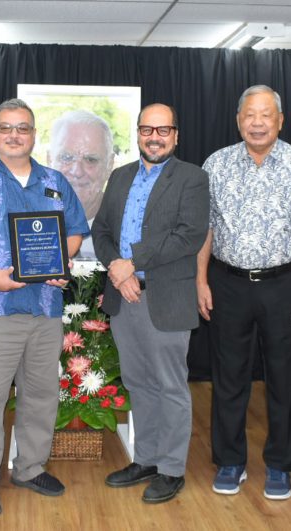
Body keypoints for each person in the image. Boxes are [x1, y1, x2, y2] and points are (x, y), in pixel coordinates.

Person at [196, 85, 291, 500]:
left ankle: (279, 464)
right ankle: (230, 460)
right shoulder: (216, 164)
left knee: (284, 377)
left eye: (266, 115)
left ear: (280, 120)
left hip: (285, 285)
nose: (257, 122)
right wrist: (200, 280)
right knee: (228, 377)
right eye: (249, 115)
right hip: (227, 283)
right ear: (238, 121)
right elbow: (205, 229)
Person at [0, 98, 89, 517]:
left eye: (23, 128)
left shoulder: (54, 179)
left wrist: (60, 264)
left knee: (41, 396)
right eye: (6, 127)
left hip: (46, 307)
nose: (15, 134)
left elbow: (74, 231)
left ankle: (29, 468)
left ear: (34, 134)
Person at [93, 103, 209, 503]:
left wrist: (132, 263)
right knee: (138, 383)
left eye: (163, 130)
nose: (154, 137)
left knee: (170, 386)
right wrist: (117, 269)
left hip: (166, 299)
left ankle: (172, 469)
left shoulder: (192, 178)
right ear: (138, 133)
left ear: (175, 135)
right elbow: (102, 230)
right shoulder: (120, 176)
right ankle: (145, 458)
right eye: (147, 129)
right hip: (124, 297)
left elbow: (188, 236)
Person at [47, 109, 115, 258]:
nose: (77, 172)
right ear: (49, 160)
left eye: (91, 159)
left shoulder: (126, 223)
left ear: (110, 165)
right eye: (66, 157)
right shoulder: (25, 217)